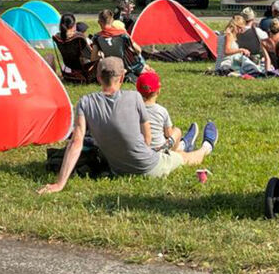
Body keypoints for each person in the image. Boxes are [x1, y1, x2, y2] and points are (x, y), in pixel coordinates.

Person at [38, 57, 217, 194]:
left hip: (118, 168)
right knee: (185, 158)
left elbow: (76, 143)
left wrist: (60, 184)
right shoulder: (135, 97)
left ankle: (183, 144)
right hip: (149, 166)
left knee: (173, 152)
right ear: (122, 77)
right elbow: (147, 140)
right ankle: (206, 147)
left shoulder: (85, 102)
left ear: (99, 77)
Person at [136, 72, 198, 153]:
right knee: (177, 131)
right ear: (158, 90)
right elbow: (168, 134)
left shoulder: (133, 109)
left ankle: (184, 145)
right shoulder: (161, 111)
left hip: (139, 149)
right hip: (159, 150)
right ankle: (181, 147)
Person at [91, 9, 145, 80]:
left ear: (99, 22)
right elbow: (138, 50)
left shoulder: (96, 37)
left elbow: (93, 58)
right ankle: (130, 70)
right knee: (139, 56)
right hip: (129, 65)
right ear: (112, 21)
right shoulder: (122, 34)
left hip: (112, 65)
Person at [52, 13, 94, 83]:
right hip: (81, 66)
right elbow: (90, 55)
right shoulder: (79, 37)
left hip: (68, 64)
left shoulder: (57, 37)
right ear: (74, 25)